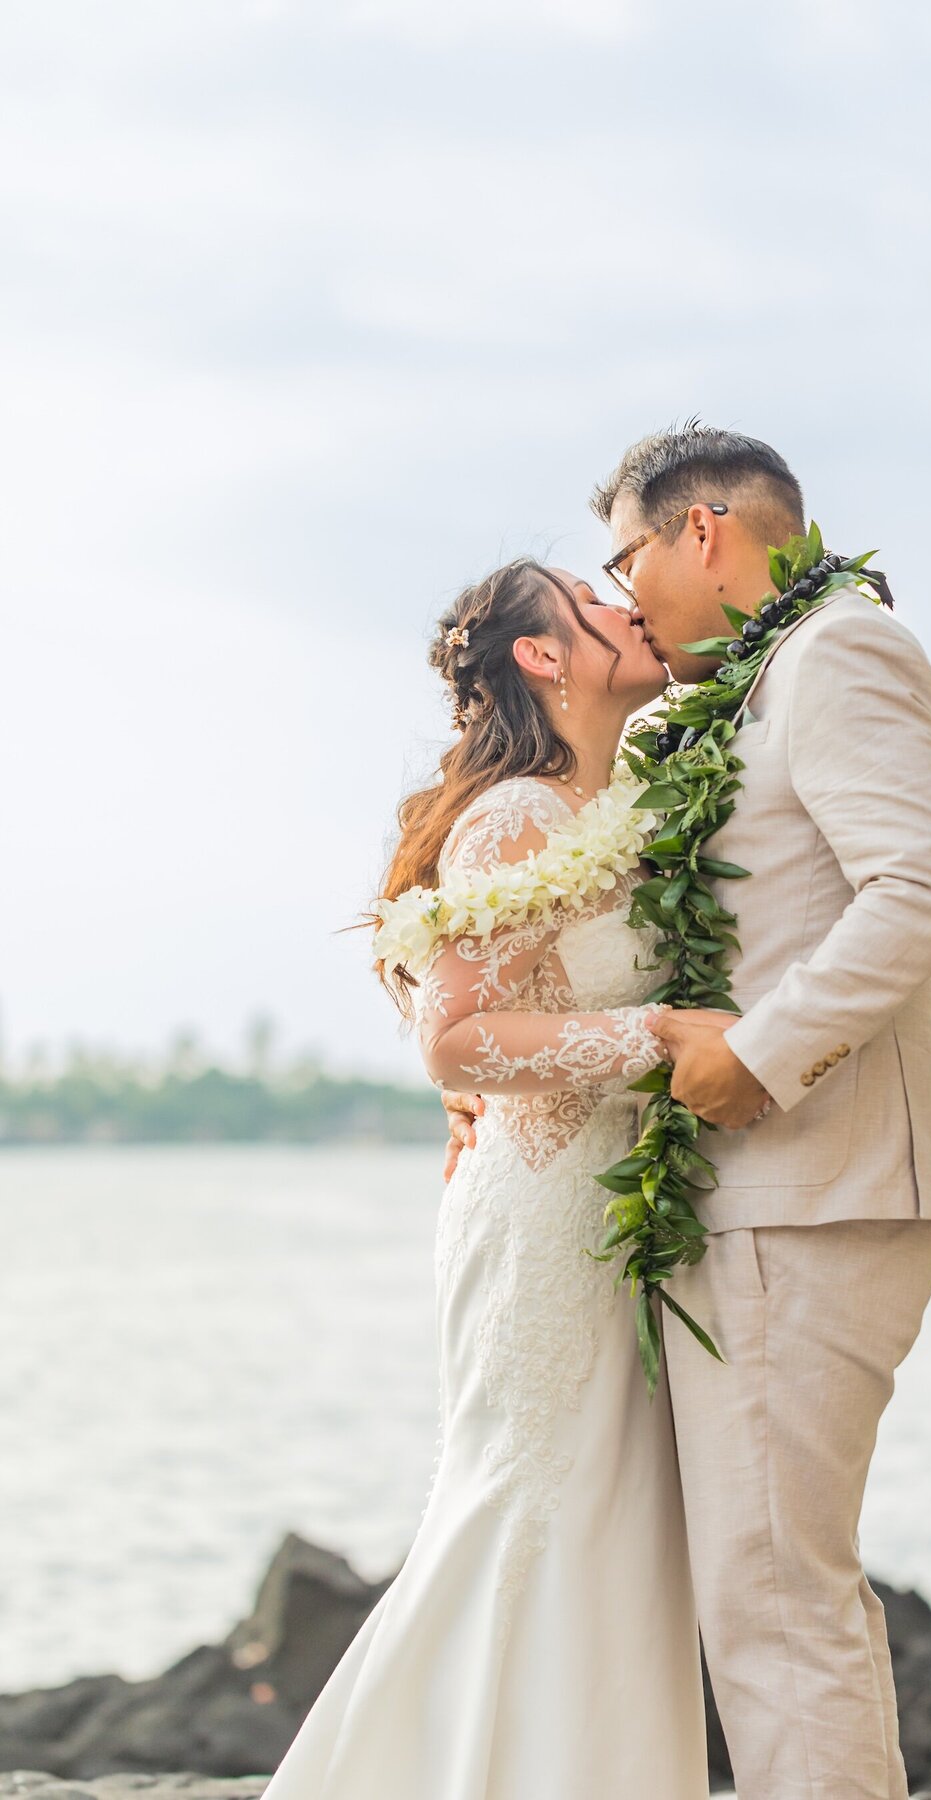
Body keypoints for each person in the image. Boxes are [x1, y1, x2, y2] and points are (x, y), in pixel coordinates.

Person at [442, 424, 931, 1800]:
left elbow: (926, 888)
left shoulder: (838, 654)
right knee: (766, 1594)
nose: (623, 592)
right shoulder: (735, 694)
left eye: (626, 556)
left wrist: (764, 1054)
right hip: (750, 1195)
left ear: (702, 533)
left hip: (810, 1184)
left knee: (774, 1601)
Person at [260, 558, 710, 1799]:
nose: (627, 604)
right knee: (532, 1510)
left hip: (615, 1210)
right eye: (592, 600)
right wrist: (664, 1043)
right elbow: (455, 1042)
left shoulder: (619, 796)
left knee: (611, 1528)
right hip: (547, 1212)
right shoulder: (514, 817)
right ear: (543, 657)